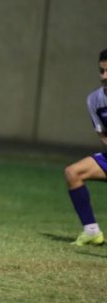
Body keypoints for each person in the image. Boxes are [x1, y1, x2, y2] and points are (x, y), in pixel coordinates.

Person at [64, 48, 107, 246]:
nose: (104, 76)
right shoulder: (94, 99)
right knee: (73, 172)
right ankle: (91, 231)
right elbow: (102, 134)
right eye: (101, 71)